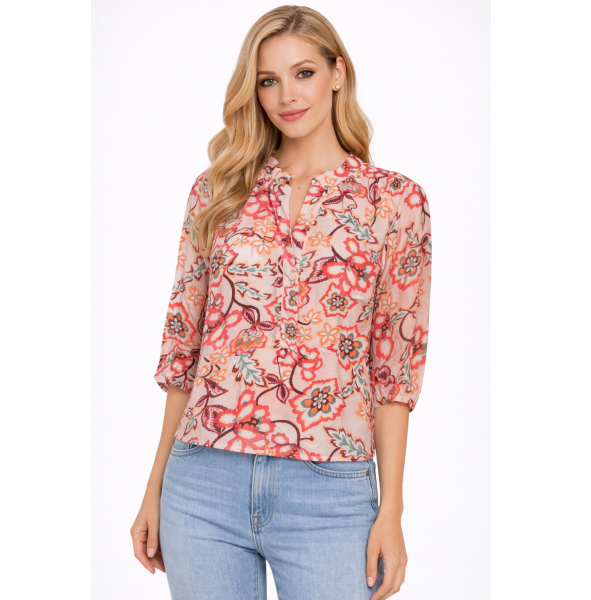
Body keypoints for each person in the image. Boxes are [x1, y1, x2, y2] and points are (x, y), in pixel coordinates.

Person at [130, 5, 432, 600]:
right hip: (201, 481)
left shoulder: (394, 202)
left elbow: (394, 372)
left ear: (338, 73)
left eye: (304, 73)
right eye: (268, 80)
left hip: (329, 490)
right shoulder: (217, 192)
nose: (287, 96)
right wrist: (154, 487)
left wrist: (391, 510)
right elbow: (184, 349)